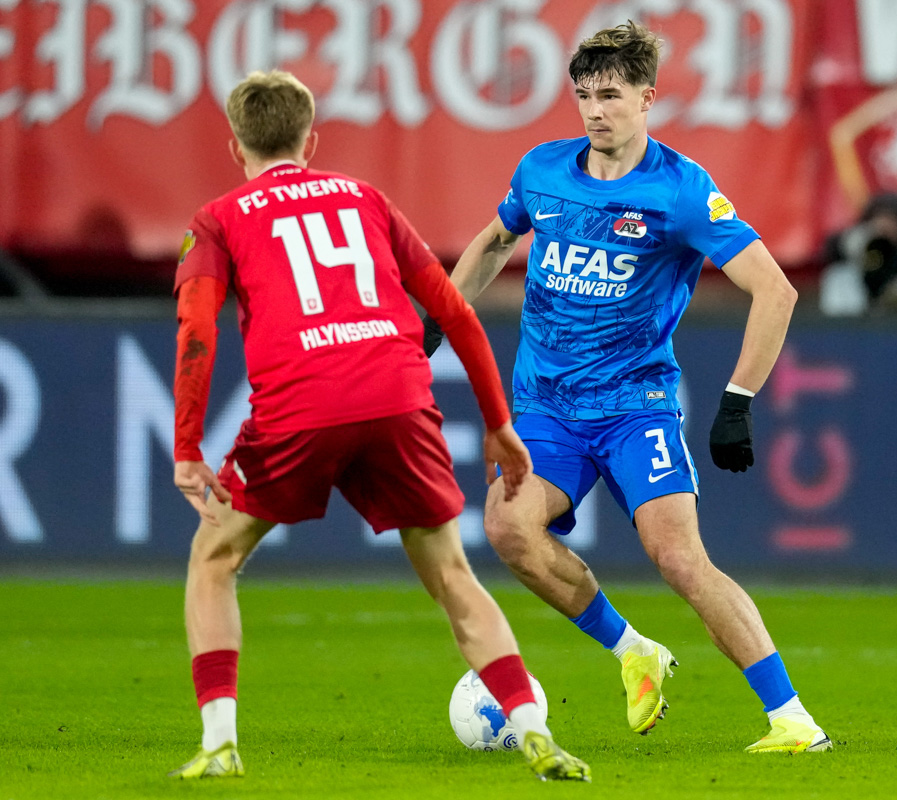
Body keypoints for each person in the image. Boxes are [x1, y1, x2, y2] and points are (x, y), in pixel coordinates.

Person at [169, 70, 589, 782]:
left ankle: (220, 743)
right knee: (452, 575)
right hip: (397, 395)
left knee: (214, 559)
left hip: (300, 402)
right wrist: (498, 422)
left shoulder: (219, 218)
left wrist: (187, 447)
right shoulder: (365, 199)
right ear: (311, 140)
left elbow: (197, 331)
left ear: (236, 147)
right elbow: (454, 311)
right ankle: (533, 730)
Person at [423, 21, 830, 754]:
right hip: (547, 407)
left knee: (679, 559)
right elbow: (495, 238)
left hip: (634, 408)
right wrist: (443, 314)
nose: (594, 110)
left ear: (646, 98)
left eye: (610, 95)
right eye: (584, 95)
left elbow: (776, 290)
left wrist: (738, 401)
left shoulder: (680, 190)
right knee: (509, 528)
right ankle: (633, 650)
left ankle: (793, 720)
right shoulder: (542, 171)